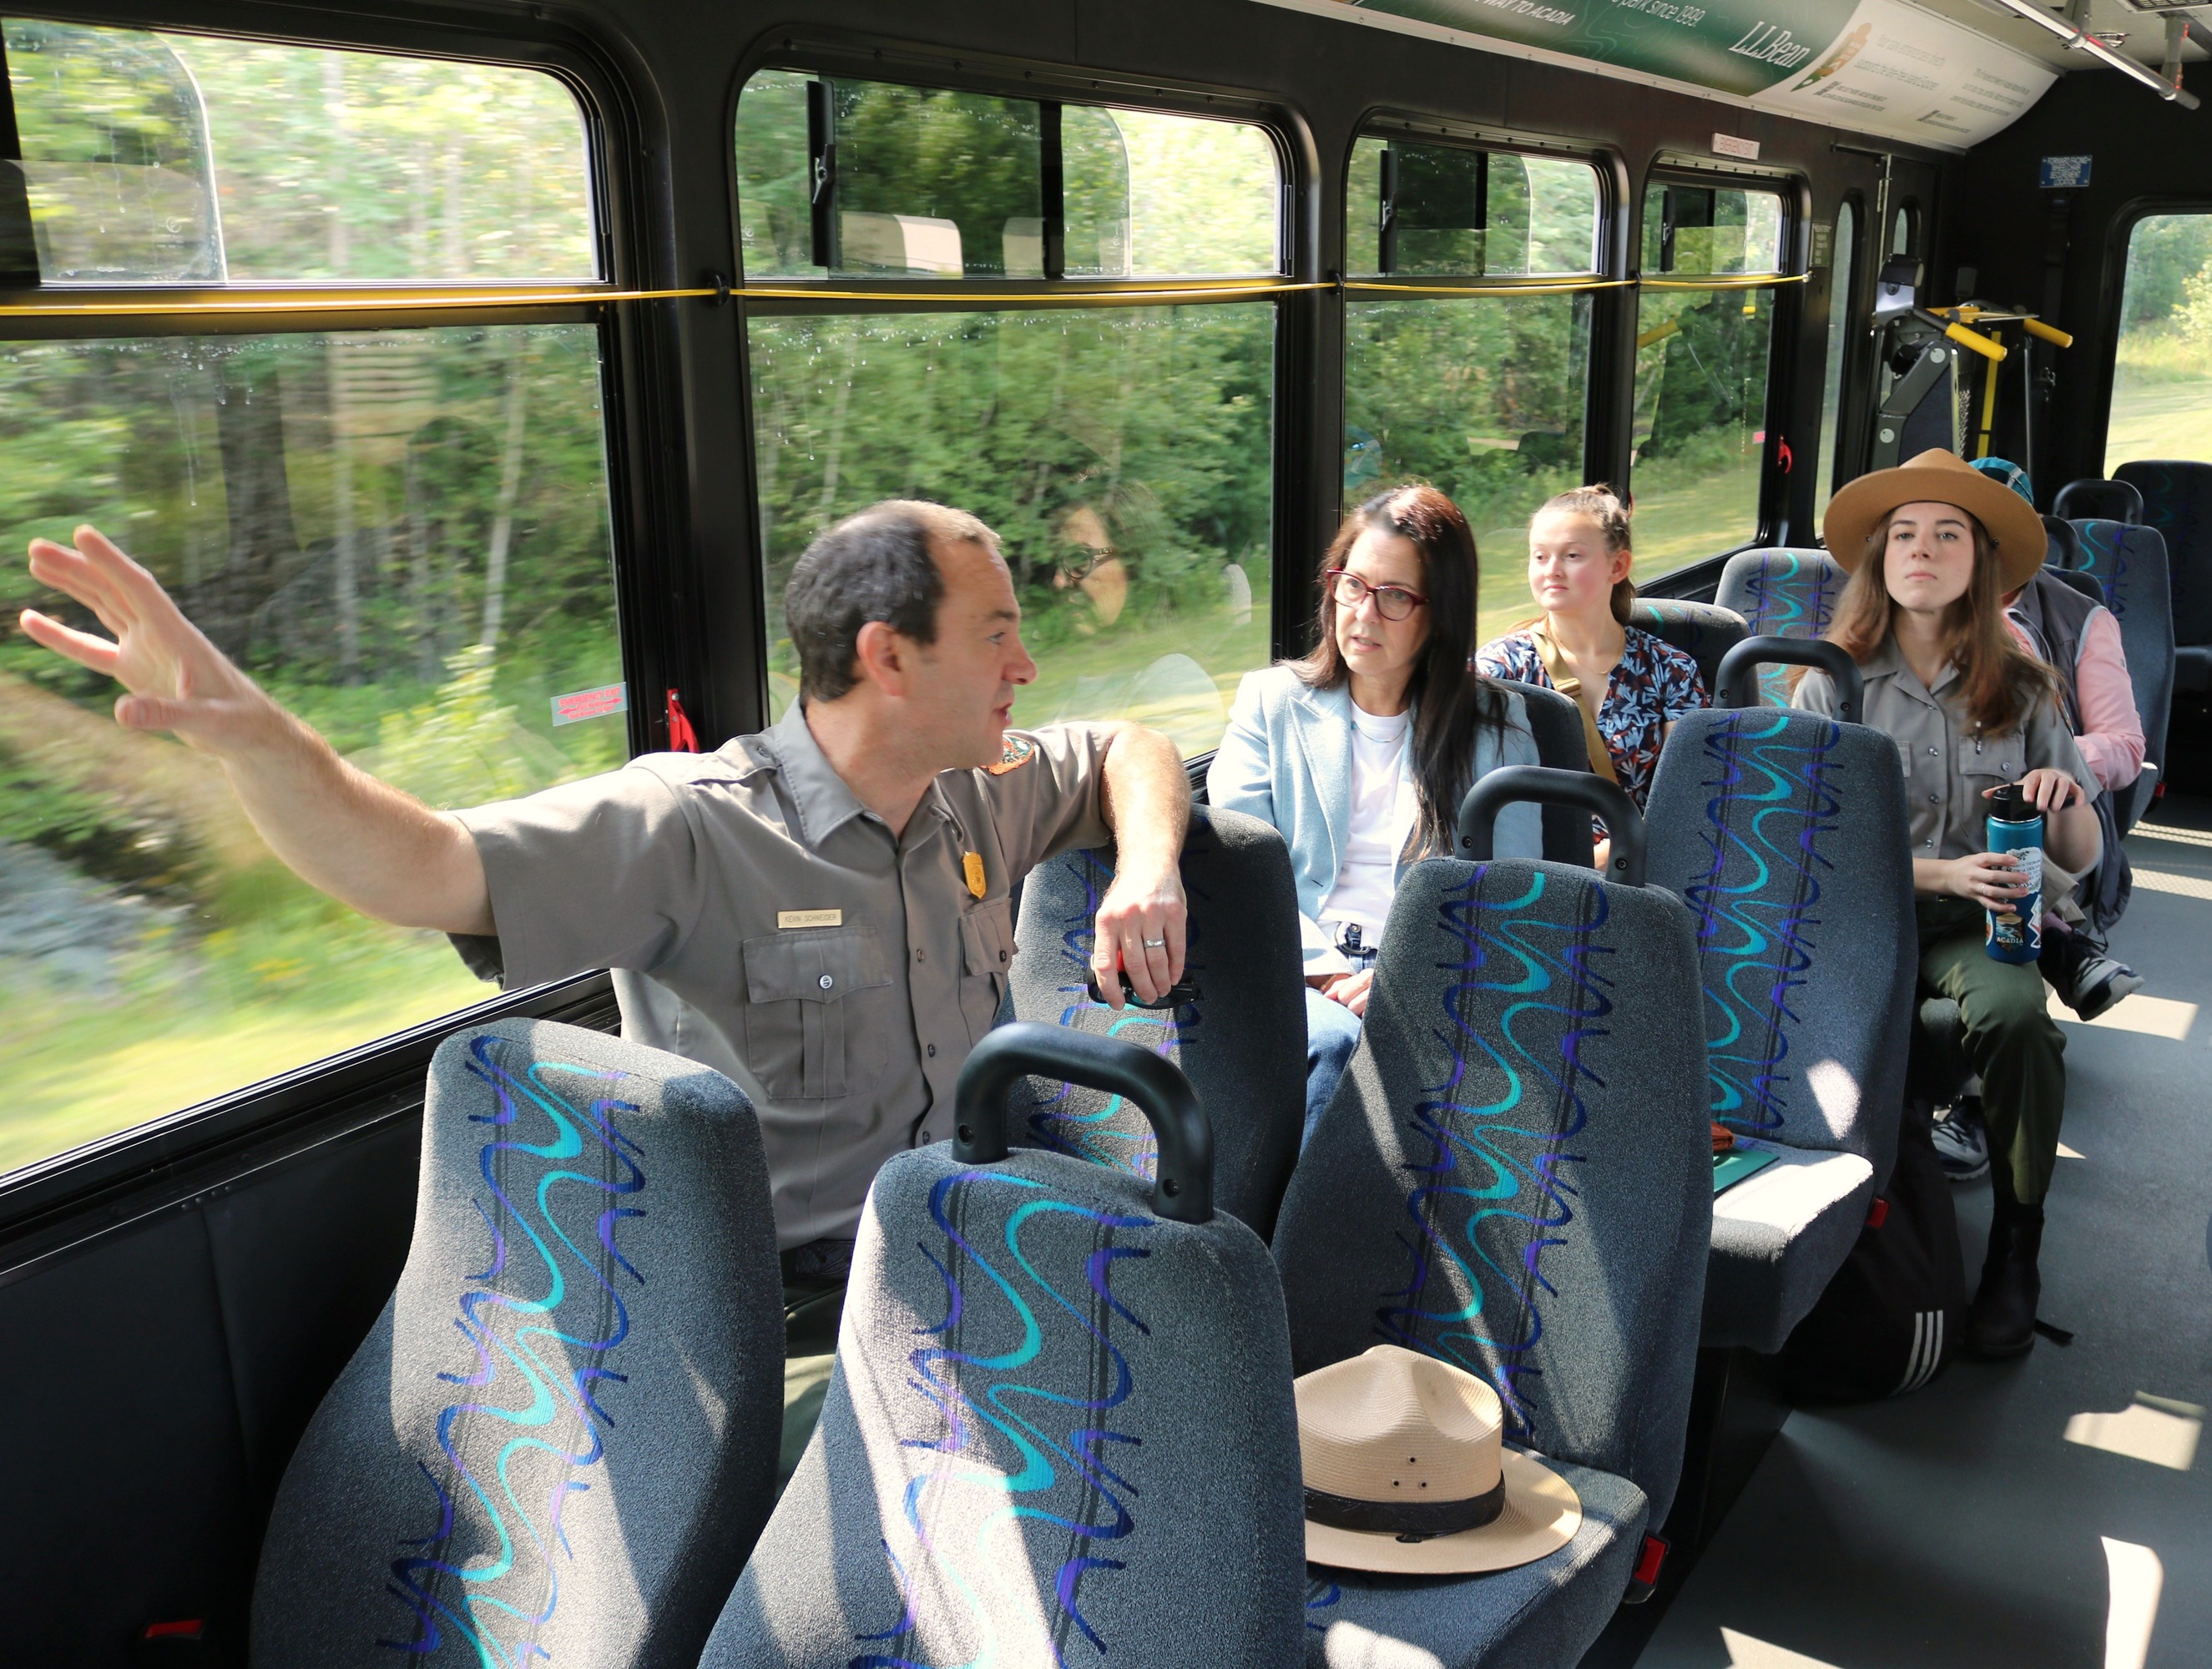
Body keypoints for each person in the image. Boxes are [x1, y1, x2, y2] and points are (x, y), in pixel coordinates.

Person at [16, 502, 1194, 1285]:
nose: (1024, 669)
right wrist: (265, 746)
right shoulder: (687, 827)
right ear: (888, 658)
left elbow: (1125, 750)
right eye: (995, 637)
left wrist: (1144, 868)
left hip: (971, 1227)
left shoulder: (978, 791)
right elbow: (420, 868)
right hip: (794, 1304)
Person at [1794, 449, 2100, 1360]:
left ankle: (2017, 1240)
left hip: (1982, 923)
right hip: (1859, 917)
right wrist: (1942, 874)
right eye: (1903, 535)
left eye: (1947, 534)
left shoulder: (2024, 684)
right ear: (1878, 560)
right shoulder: (1830, 683)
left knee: (2017, 1022)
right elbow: (1811, 847)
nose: (1921, 550)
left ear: (1979, 563)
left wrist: (2064, 798)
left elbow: (2080, 859)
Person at [1208, 483, 1540, 1147]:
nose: (1362, 613)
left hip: (1427, 973)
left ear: (1439, 615)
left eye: (1394, 597)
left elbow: (1513, 895)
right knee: (1336, 1045)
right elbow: (1241, 872)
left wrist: (1405, 978)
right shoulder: (1269, 703)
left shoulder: (1496, 727)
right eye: (1352, 585)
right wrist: (1332, 974)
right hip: (1293, 964)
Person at [1971, 457, 2145, 1022]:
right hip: (1934, 780)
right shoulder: (1908, 612)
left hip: (2045, 798)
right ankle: (2059, 945)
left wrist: (2052, 762)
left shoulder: (2080, 620)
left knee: (2010, 805)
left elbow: (2124, 745)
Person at [1474, 485, 1706, 861]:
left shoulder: (1670, 669)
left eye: (1572, 555)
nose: (1552, 571)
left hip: (1640, 865)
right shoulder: (1501, 668)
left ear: (1617, 566)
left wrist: (1620, 852)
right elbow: (1478, 790)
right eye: (1540, 556)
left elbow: (1687, 794)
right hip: (1526, 866)